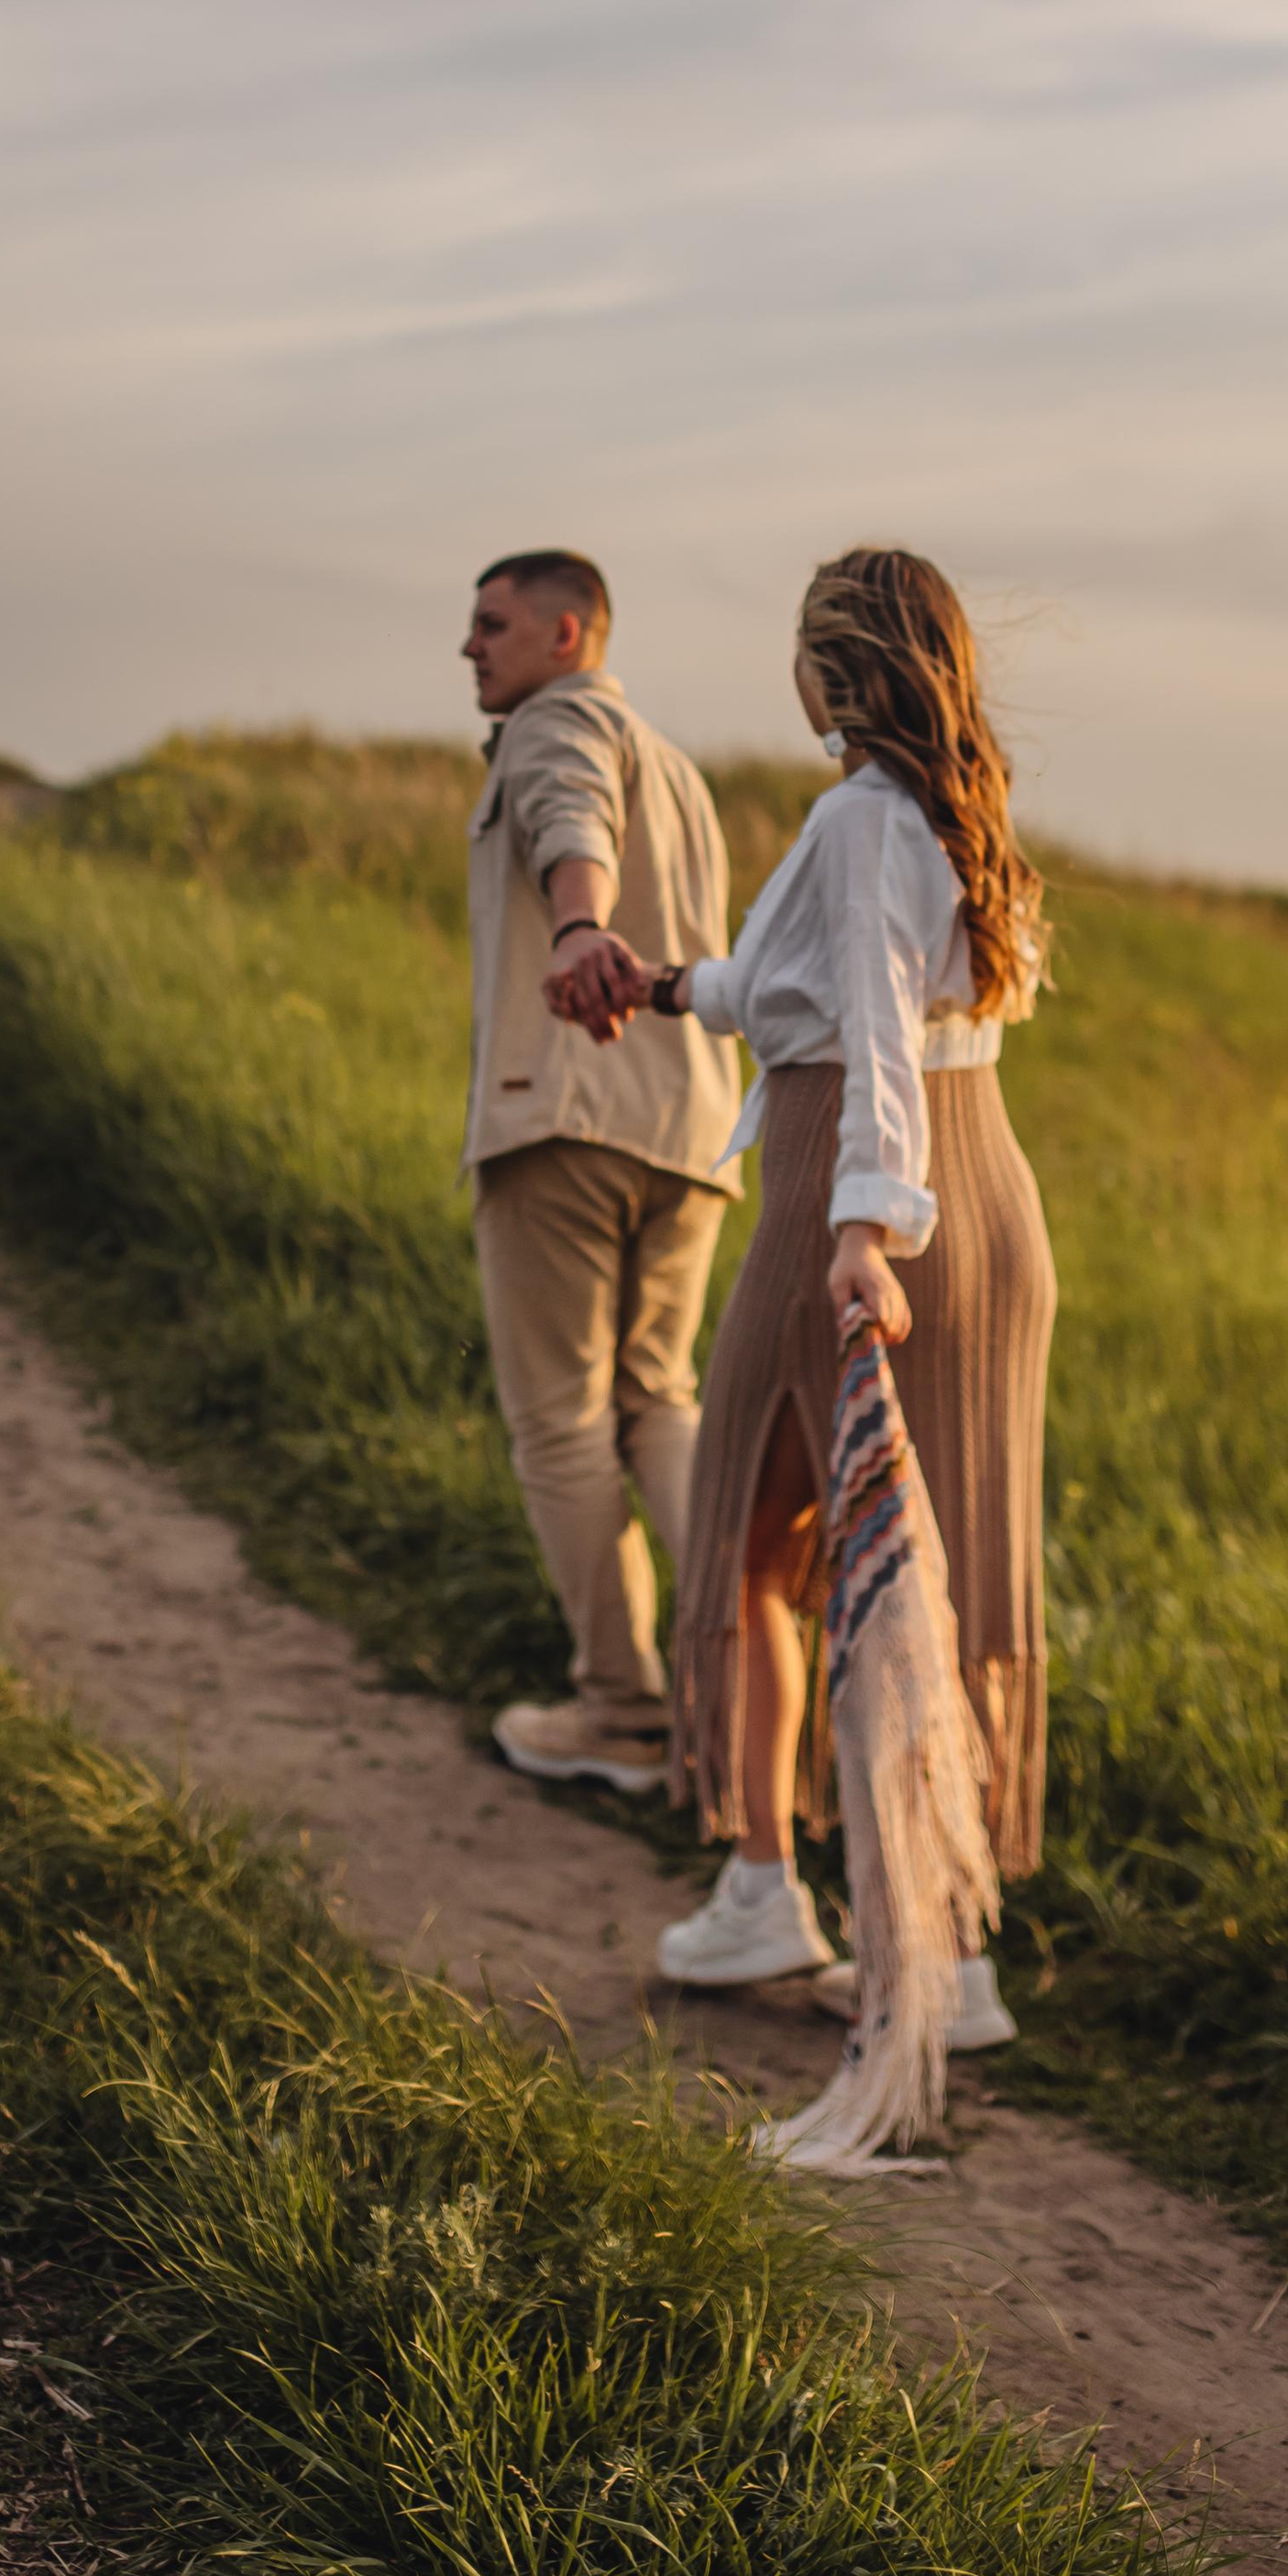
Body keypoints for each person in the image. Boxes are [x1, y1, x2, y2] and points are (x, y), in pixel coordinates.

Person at [546, 545, 1054, 2049]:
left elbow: (877, 1039)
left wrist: (863, 1231)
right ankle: (950, 1954)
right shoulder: (957, 816)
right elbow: (823, 990)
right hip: (990, 1201)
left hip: (862, 1184)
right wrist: (665, 986)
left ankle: (769, 1887)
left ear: (833, 668)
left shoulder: (856, 817)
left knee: (756, 1549)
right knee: (940, 1563)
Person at [462, 549, 743, 1795]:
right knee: (659, 1401)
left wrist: (578, 925)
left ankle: (623, 1711)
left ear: (567, 632)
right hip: (688, 1134)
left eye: (491, 624)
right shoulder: (681, 771)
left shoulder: (554, 720)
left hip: (565, 1113)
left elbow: (569, 812)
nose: (469, 648)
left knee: (562, 1420)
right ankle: (753, 1679)